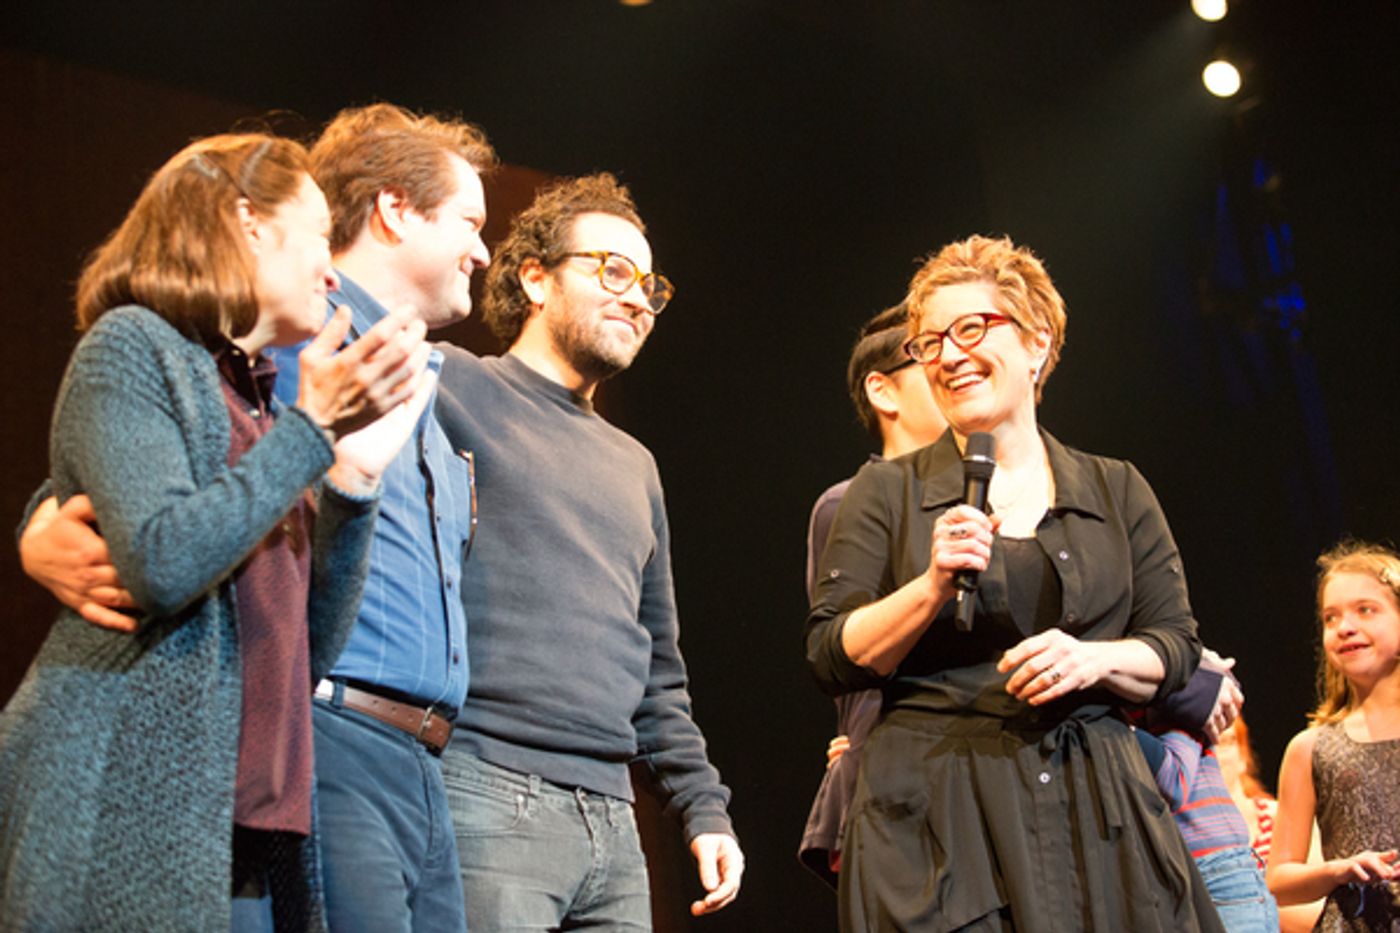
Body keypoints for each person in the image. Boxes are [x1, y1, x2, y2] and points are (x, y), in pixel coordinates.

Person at [16, 103, 495, 933]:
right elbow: (159, 548)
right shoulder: (141, 345)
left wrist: (352, 480)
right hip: (135, 797)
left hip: (253, 817)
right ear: (246, 223)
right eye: (315, 233)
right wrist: (315, 431)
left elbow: (311, 633)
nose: (329, 263)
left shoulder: (264, 401)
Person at [806, 234, 1224, 930]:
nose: (948, 354)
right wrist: (931, 585)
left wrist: (1094, 658)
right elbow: (830, 651)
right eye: (929, 341)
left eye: (971, 327)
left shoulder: (1116, 487)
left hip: (1101, 815)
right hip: (940, 826)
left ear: (1037, 343)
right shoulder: (884, 491)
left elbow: (1174, 644)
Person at [432, 172, 744, 929]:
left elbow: (657, 669)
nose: (638, 298)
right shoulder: (451, 385)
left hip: (613, 817)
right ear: (535, 277)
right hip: (484, 787)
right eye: (612, 270)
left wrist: (704, 807)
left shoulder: (634, 464)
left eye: (649, 284)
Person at [799, 301, 947, 886]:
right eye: (927, 354)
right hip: (902, 793)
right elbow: (845, 654)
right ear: (883, 391)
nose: (951, 366)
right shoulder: (851, 504)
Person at [1267, 541, 1400, 930]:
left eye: (1365, 610)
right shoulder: (1313, 749)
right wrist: (1339, 871)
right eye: (1330, 617)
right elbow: (1279, 882)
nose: (1345, 627)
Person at [1134, 651, 1279, 931]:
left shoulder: (1164, 673)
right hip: (1153, 878)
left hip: (1214, 874)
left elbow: (1173, 782)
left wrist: (1111, 730)